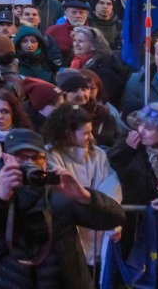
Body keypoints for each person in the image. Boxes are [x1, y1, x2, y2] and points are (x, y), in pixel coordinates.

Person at [0, 129, 126, 289]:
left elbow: (115, 217)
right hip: (4, 281)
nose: (30, 163)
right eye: (21, 157)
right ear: (7, 158)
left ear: (45, 161)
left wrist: (83, 195)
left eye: (37, 157)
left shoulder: (60, 189)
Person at [43, 103, 122, 267]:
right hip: (69, 234)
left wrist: (110, 220)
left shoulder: (98, 155)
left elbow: (110, 185)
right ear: (67, 133)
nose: (91, 137)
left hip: (98, 232)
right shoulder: (49, 155)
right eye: (85, 133)